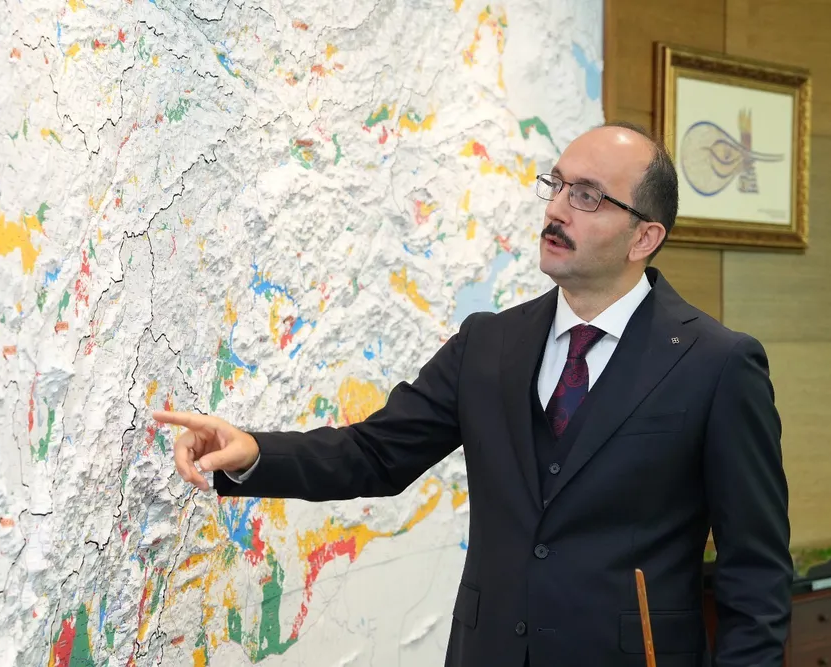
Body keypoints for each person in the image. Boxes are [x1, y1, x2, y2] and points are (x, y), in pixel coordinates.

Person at [154, 122, 792, 667]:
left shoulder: (716, 364)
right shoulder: (490, 343)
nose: (556, 209)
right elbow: (375, 454)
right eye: (557, 186)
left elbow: (756, 573)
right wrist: (253, 452)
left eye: (588, 196)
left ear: (644, 238)